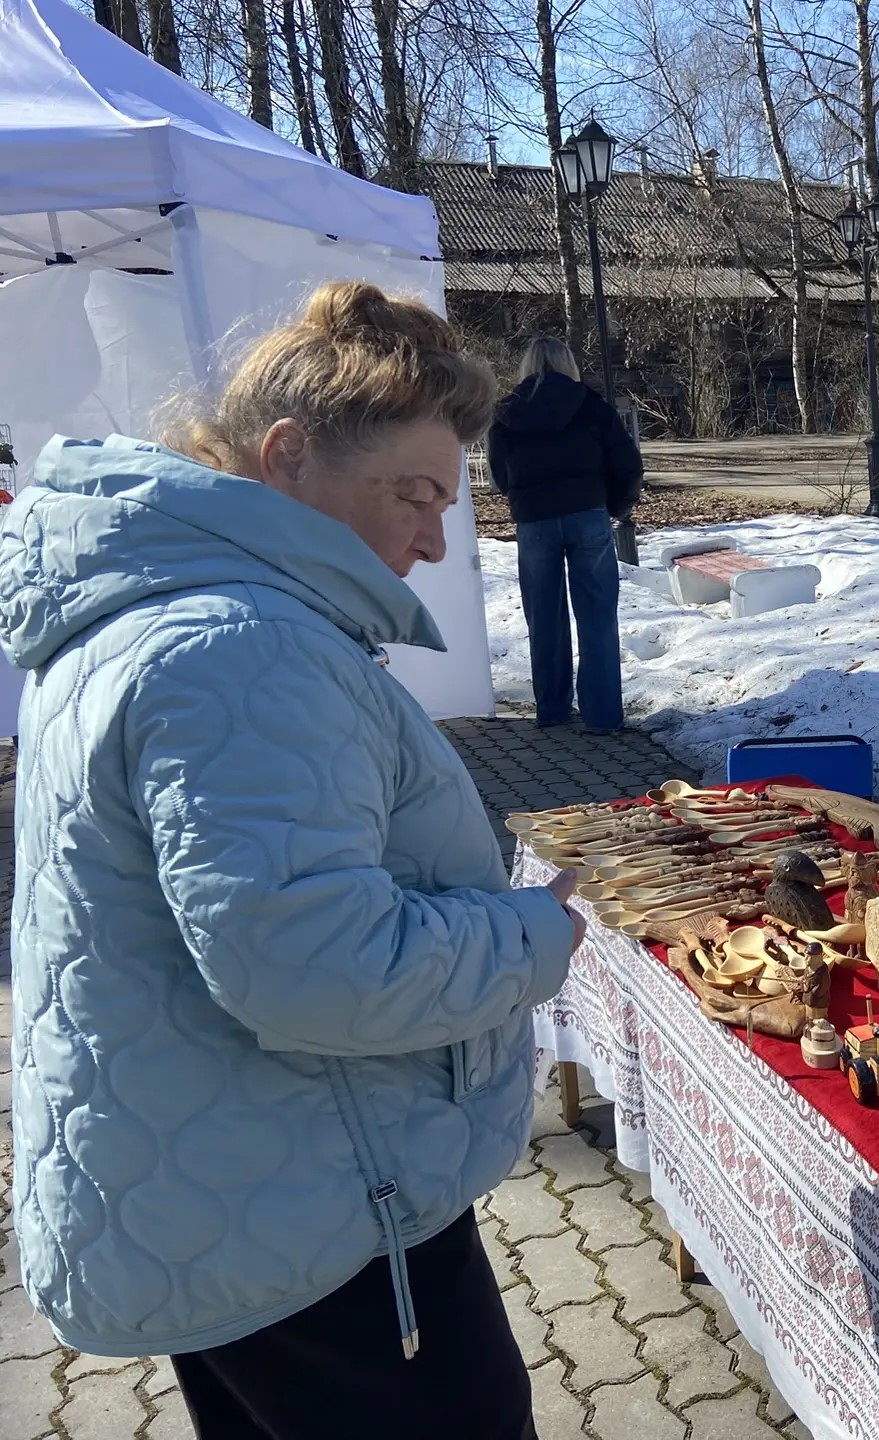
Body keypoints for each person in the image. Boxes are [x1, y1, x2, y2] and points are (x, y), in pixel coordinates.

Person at [0, 281, 587, 1439]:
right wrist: (531, 938)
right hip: (310, 1211)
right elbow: (321, 968)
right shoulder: (235, 642)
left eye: (447, 503)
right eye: (414, 494)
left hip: (228, 1183)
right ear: (287, 458)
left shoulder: (166, 603)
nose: (432, 535)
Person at [487, 338, 643, 733]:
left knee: (544, 617)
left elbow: (499, 473)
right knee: (597, 618)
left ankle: (552, 709)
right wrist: (618, 506)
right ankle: (603, 716)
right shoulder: (591, 405)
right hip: (588, 514)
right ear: (568, 363)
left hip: (535, 520)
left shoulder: (506, 412)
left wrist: (521, 497)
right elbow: (625, 461)